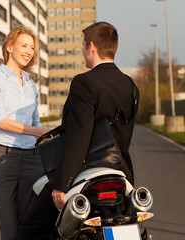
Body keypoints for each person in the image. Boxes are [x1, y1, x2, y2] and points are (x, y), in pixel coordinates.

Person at [20, 21, 139, 239]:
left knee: (31, 229)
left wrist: (62, 184)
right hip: (122, 174)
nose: (83, 52)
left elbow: (80, 136)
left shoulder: (84, 82)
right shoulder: (130, 85)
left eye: (83, 46)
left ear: (91, 46)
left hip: (86, 174)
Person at [0, 25, 49, 240]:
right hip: (4, 159)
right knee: (10, 232)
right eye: (24, 45)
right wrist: (39, 131)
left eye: (32, 47)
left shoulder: (31, 84)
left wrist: (48, 139)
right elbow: (0, 120)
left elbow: (35, 119)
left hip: (32, 160)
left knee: (31, 227)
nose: (29, 51)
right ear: (9, 47)